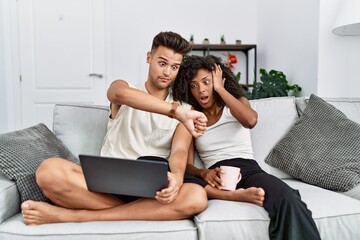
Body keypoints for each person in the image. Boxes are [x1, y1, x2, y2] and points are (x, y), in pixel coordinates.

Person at [21, 31, 208, 225]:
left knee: (196, 196)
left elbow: (179, 151)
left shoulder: (186, 110)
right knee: (48, 171)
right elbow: (118, 94)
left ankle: (76, 216)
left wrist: (177, 178)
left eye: (174, 67)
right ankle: (140, 212)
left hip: (153, 190)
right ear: (149, 58)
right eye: (162, 63)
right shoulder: (125, 89)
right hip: (106, 185)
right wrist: (175, 112)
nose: (167, 72)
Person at [172, 55, 321, 240]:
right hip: (216, 177)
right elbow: (186, 166)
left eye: (206, 82)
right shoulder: (192, 117)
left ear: (218, 80)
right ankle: (235, 195)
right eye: (193, 85)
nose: (201, 89)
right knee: (183, 179)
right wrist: (203, 173)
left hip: (249, 170)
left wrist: (220, 88)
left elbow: (251, 121)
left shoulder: (235, 104)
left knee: (287, 197)